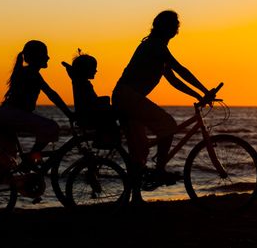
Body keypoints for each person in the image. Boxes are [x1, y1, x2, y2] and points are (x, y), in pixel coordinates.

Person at [112, 10, 210, 202]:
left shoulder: (155, 47)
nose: (176, 29)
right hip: (128, 96)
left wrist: (198, 94)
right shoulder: (156, 46)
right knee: (168, 124)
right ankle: (159, 170)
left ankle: (136, 197)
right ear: (169, 29)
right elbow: (180, 69)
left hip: (124, 96)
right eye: (174, 26)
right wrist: (204, 91)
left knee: (139, 149)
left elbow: (173, 79)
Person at [0, 40, 73, 169]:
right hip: (13, 115)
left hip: (8, 115)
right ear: (37, 57)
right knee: (51, 127)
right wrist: (69, 113)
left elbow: (50, 93)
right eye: (45, 54)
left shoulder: (29, 72)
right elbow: (51, 94)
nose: (48, 57)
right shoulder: (30, 73)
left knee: (5, 162)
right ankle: (31, 159)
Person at [64, 50, 118, 147]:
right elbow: (91, 102)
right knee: (114, 113)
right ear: (85, 70)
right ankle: (104, 140)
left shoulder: (79, 81)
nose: (96, 71)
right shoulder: (81, 83)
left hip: (87, 114)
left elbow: (73, 73)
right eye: (93, 68)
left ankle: (106, 138)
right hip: (89, 116)